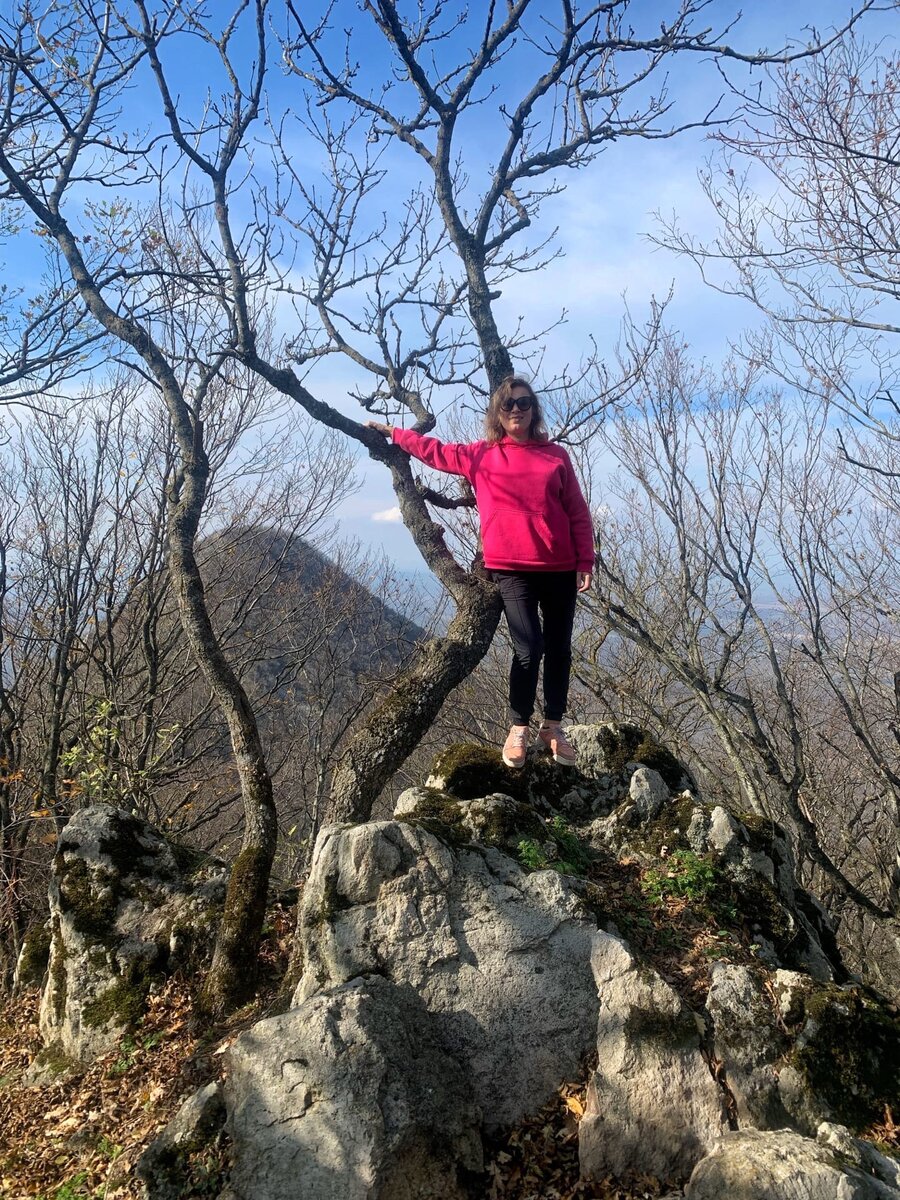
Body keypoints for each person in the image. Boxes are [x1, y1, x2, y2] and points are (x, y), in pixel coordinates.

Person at [366, 375, 594, 769]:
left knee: (559, 648)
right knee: (529, 648)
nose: (517, 410)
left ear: (534, 409)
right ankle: (519, 726)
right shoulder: (482, 455)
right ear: (498, 413)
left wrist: (585, 561)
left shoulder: (555, 456)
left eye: (524, 403)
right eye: (509, 405)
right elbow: (434, 451)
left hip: (560, 567)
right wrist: (395, 433)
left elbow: (577, 511)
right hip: (511, 569)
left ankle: (553, 726)